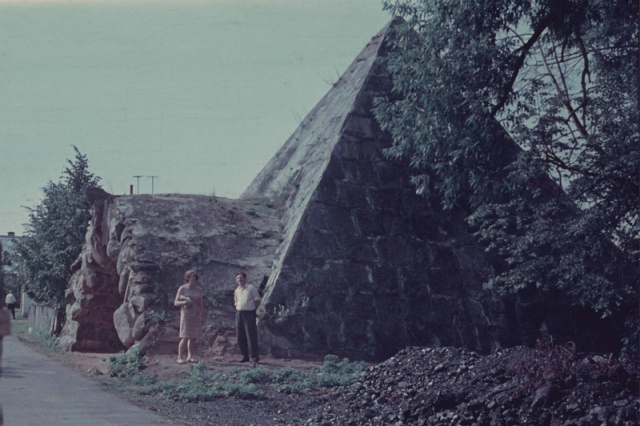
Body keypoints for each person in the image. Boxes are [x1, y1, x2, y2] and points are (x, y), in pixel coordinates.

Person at [174, 270, 204, 364]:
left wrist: (202, 315)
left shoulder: (199, 289)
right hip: (186, 315)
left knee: (193, 337)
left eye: (194, 276)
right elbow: (176, 303)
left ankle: (190, 356)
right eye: (191, 276)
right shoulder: (182, 288)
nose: (193, 278)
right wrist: (185, 302)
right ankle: (179, 357)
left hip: (195, 314)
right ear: (187, 278)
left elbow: (201, 304)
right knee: (185, 336)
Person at [234, 271, 261, 364]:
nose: (239, 279)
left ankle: (254, 357)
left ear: (245, 278)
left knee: (251, 335)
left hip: (249, 313)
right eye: (238, 278)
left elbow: (257, 300)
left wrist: (254, 310)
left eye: (241, 277)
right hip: (239, 313)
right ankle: (244, 356)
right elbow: (236, 302)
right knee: (240, 335)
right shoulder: (236, 290)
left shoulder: (251, 288)